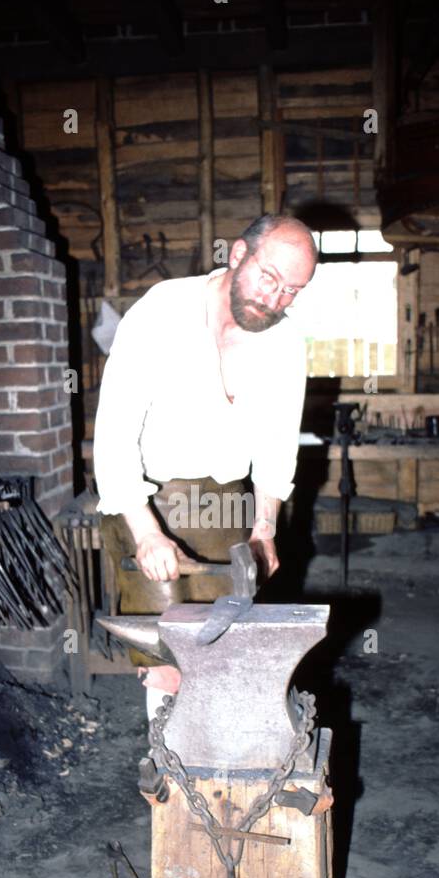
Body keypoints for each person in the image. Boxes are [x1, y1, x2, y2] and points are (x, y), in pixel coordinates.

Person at [93, 213, 318, 715]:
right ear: (238, 254)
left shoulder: (284, 343)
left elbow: (278, 445)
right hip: (150, 497)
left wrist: (265, 527)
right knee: (168, 659)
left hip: (224, 505)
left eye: (292, 291)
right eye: (269, 278)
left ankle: (223, 769)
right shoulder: (162, 312)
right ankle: (168, 772)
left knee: (225, 647)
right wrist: (145, 531)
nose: (275, 299)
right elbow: (114, 429)